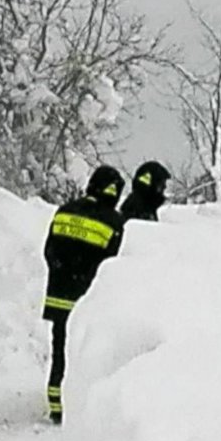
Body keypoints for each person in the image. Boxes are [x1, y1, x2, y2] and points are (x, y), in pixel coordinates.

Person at [42, 164, 125, 424]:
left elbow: (49, 251)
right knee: (81, 354)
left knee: (59, 350)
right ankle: (76, 406)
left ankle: (56, 404)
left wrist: (62, 274)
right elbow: (113, 264)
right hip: (86, 300)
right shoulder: (113, 222)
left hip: (58, 296)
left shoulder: (64, 212)